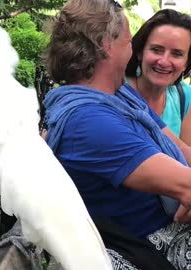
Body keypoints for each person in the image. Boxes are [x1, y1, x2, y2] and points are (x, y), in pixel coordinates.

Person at [42, 0, 191, 269]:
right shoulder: (89, 122)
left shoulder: (120, 94)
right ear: (107, 46)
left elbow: (179, 147)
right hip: (144, 246)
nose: (131, 47)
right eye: (128, 40)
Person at [125, 9, 191, 145]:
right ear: (139, 52)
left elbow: (187, 160)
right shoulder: (115, 91)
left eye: (177, 54)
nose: (164, 61)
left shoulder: (185, 97)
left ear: (187, 63)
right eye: (156, 50)